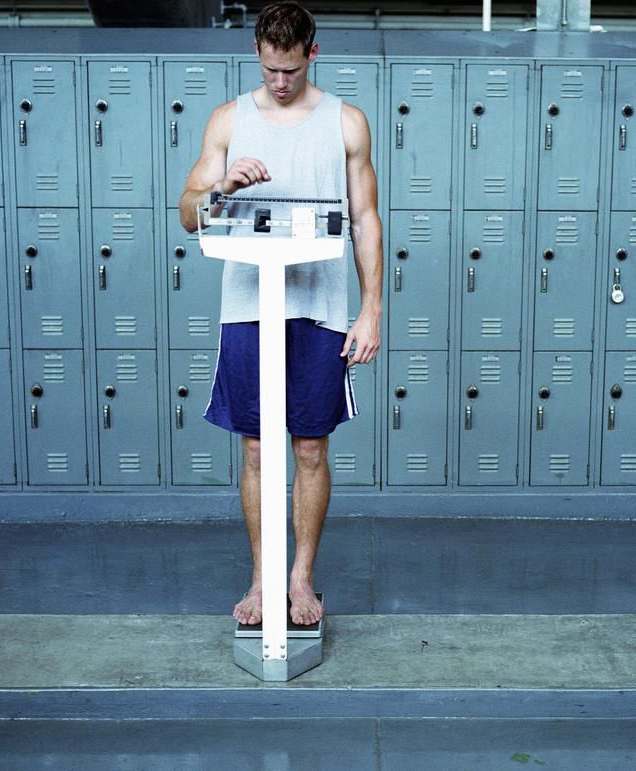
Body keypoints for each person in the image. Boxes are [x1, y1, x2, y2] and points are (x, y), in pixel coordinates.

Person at [178, 1, 382, 628]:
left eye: (291, 69)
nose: (281, 82)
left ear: (311, 54)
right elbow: (187, 212)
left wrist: (372, 308)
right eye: (270, 69)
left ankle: (301, 579)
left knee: (312, 449)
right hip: (248, 307)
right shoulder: (228, 120)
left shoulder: (346, 122)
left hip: (318, 310)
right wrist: (222, 189)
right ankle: (263, 579)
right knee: (255, 450)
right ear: (258, 57)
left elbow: (367, 219)